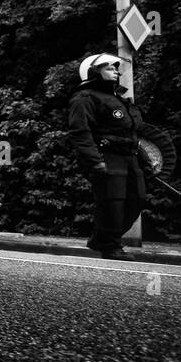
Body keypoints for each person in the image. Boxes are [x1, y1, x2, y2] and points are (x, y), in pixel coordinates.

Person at [67, 53, 146, 260]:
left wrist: (147, 158)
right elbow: (80, 133)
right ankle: (110, 245)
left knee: (138, 199)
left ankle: (102, 239)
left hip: (130, 157)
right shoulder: (84, 98)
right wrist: (95, 161)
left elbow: (136, 131)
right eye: (110, 68)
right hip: (107, 156)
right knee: (113, 202)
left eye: (116, 68)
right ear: (94, 71)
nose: (116, 72)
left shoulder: (119, 99)